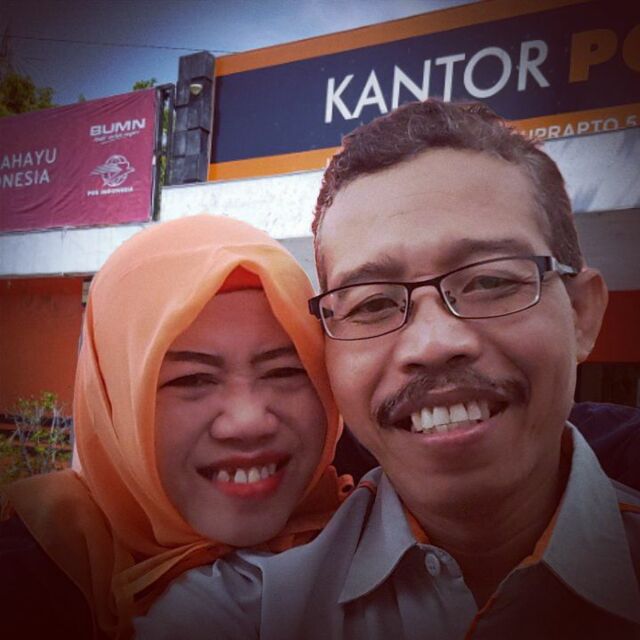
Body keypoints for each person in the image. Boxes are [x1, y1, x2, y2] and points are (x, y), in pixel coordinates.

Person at [137, 100, 640, 639]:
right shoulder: (241, 614)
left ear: (582, 314)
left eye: (490, 281)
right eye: (372, 303)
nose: (433, 344)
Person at [0, 215, 351, 639]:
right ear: (115, 400)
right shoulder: (30, 576)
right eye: (192, 380)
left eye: (285, 370)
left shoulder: (384, 533)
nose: (248, 421)